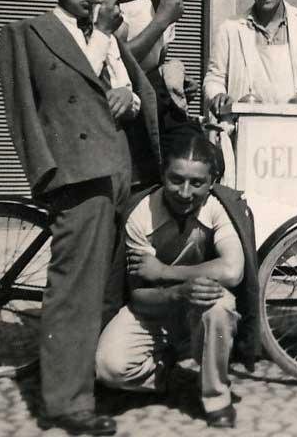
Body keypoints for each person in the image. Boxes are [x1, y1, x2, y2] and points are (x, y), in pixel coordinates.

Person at [0, 0, 161, 436]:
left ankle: (93, 378)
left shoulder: (104, 35)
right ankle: (66, 403)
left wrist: (127, 96)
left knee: (107, 285)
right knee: (74, 290)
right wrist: (43, 172)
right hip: (76, 172)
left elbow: (126, 94)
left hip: (118, 167)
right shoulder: (33, 33)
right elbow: (49, 98)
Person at [95, 134, 258, 429]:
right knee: (109, 368)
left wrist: (165, 273)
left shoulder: (218, 207)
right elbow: (138, 295)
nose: (184, 192)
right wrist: (179, 292)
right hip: (154, 309)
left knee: (220, 306)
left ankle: (216, 398)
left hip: (199, 306)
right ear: (162, 175)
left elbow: (232, 270)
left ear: (212, 183)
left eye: (197, 183)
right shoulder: (141, 214)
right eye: (176, 180)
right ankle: (165, 373)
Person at [102, 0, 201, 155]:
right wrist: (162, 20)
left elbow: (156, 59)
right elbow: (114, 63)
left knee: (195, 151)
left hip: (152, 96)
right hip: (120, 101)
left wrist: (177, 81)